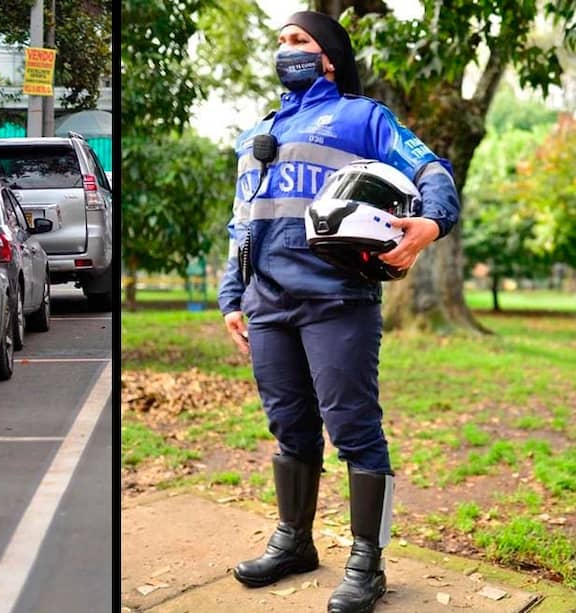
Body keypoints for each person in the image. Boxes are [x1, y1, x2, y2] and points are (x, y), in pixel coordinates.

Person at [217, 11, 460, 613]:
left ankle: (367, 563)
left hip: (338, 299)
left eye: (299, 40)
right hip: (267, 304)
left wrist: (431, 223)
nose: (286, 49)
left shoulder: (363, 117)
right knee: (289, 427)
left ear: (328, 56)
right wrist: (232, 296)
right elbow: (242, 223)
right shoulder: (255, 134)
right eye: (281, 41)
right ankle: (294, 541)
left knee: (353, 429)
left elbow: (431, 169)